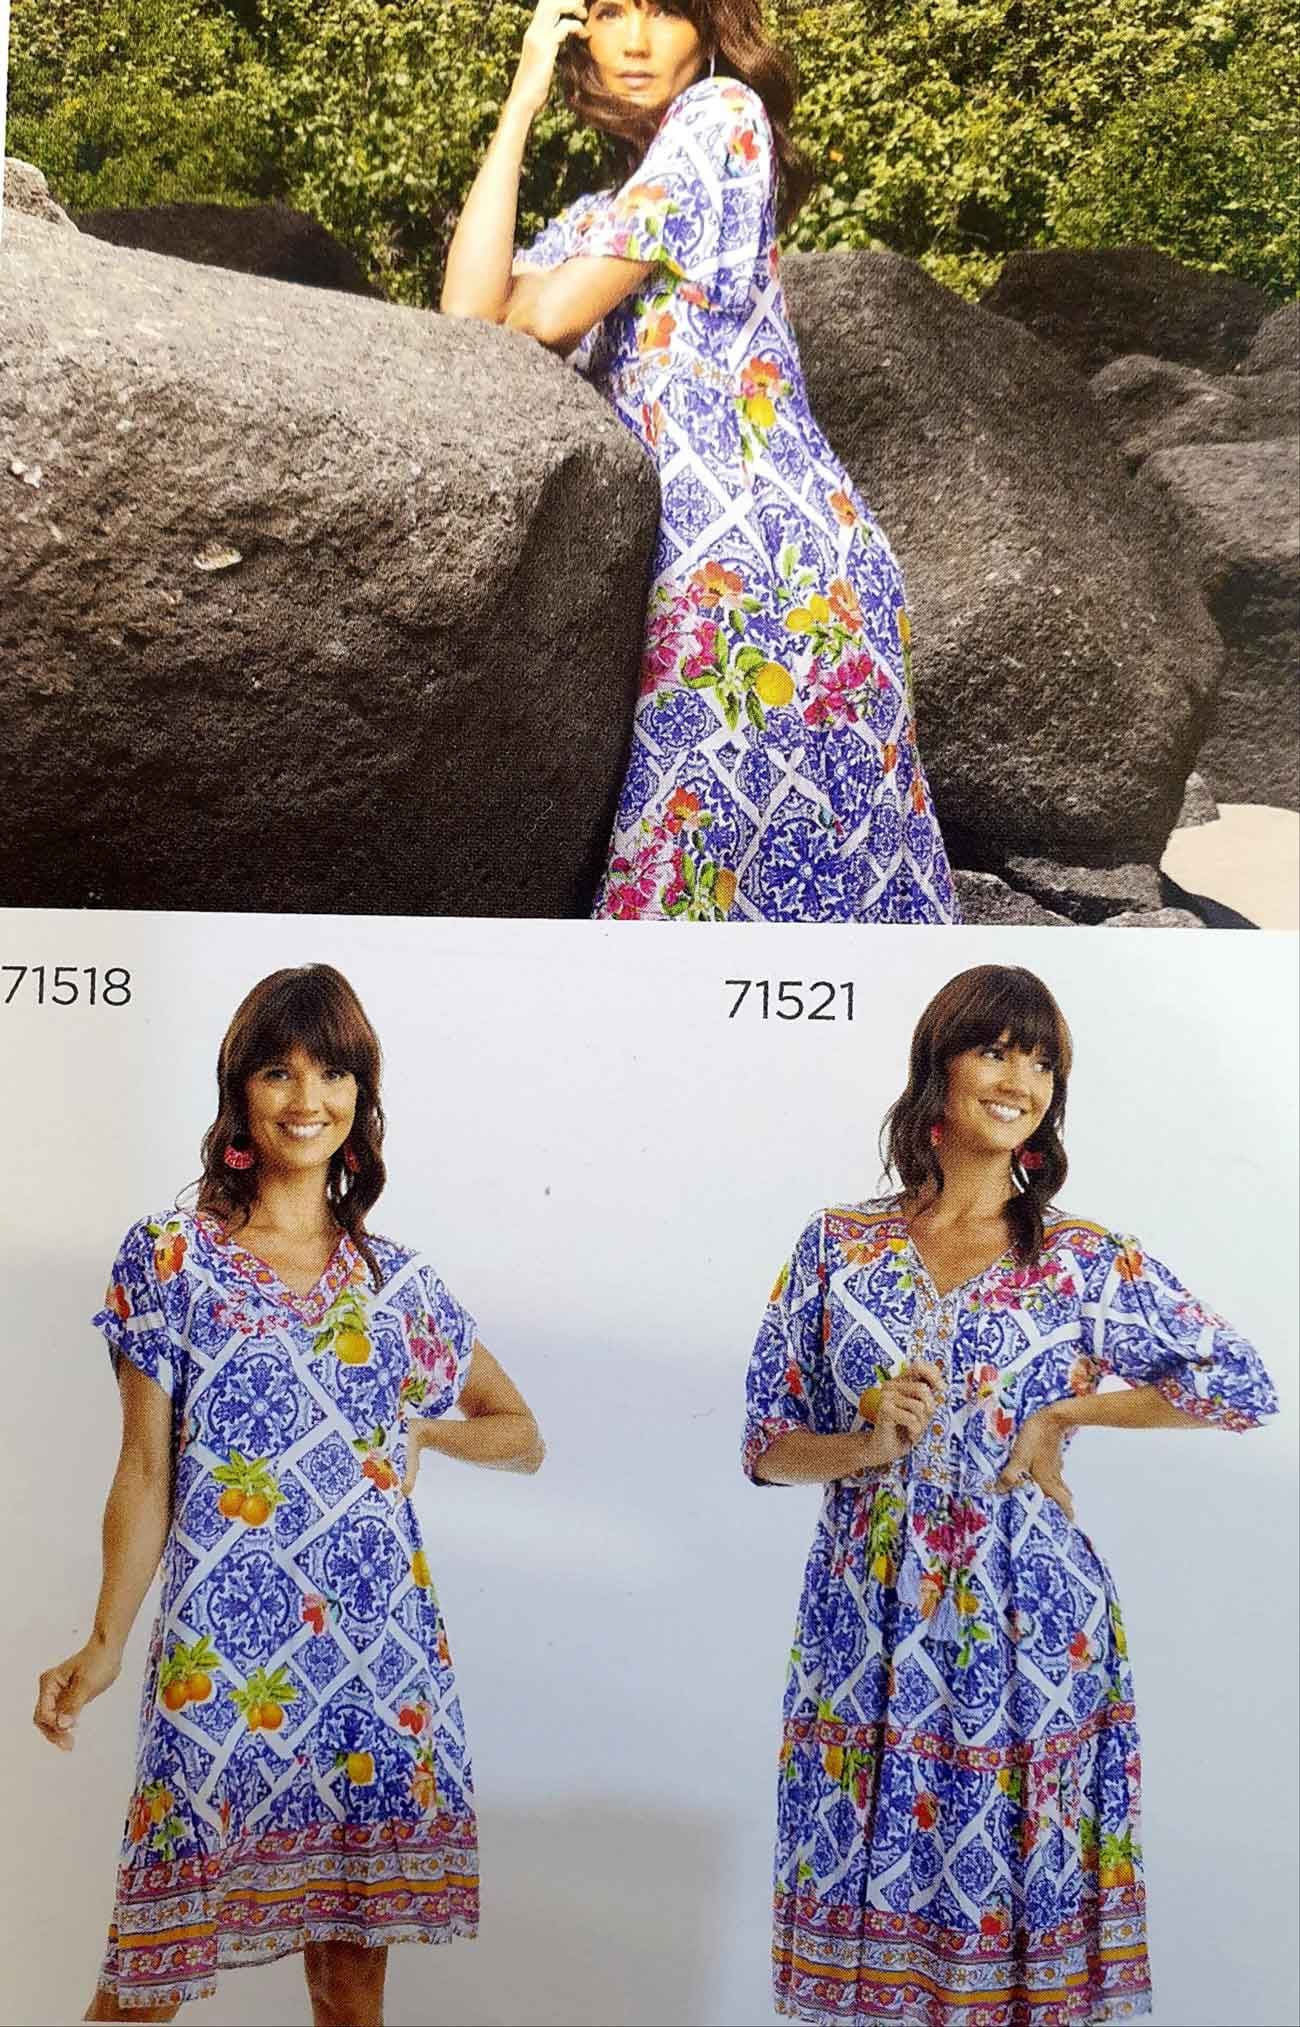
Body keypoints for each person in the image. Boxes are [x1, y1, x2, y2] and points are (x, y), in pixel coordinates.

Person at [742, 964, 1277, 2026]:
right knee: (872, 1924)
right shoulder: (835, 1246)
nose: (1019, 1076)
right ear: (936, 1066)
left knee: (1008, 1934)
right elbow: (764, 1444)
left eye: (1042, 1061)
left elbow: (1241, 1382)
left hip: (1029, 1627)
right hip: (866, 1628)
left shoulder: (1085, 1260)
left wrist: (1066, 1416)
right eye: (995, 1048)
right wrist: (862, 1437)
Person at [34, 964, 544, 2026]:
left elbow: (522, 1431)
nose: (305, 1096)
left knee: (350, 1986)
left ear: (362, 1098)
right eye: (279, 1069)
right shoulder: (170, 1258)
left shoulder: (396, 1282)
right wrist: (104, 1637)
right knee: (144, 1978)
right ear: (240, 1092)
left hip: (374, 1662)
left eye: (333, 1070)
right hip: (219, 1661)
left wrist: (426, 1431)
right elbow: (143, 1469)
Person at [442, 0, 960, 924]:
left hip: (778, 567)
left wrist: (539, 304)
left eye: (664, 12)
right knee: (705, 900)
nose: (634, 43)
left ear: (712, 32)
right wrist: (521, 95)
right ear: (578, 38)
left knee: (717, 897)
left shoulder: (721, 120)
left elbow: (549, 316)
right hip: (700, 568)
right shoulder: (602, 216)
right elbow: (467, 318)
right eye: (606, 14)